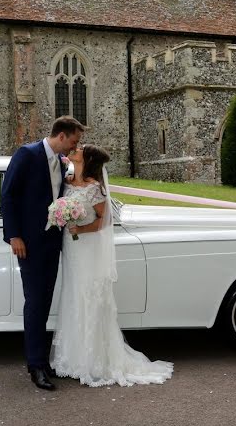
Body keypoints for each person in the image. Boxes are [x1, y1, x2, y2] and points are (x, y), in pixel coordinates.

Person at [50, 144, 173, 387]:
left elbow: (103, 223)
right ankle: (73, 357)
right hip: (71, 249)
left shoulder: (95, 189)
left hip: (87, 247)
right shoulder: (69, 178)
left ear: (88, 160)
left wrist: (79, 228)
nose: (75, 150)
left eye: (80, 150)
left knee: (89, 295)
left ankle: (94, 359)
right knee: (74, 295)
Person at [0, 116, 84, 391]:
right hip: (29, 243)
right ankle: (35, 366)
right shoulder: (27, 154)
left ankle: (43, 361)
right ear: (61, 135)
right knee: (35, 303)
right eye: (73, 141)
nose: (75, 147)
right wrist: (14, 235)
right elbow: (8, 195)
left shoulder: (62, 163)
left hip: (52, 242)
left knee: (45, 301)